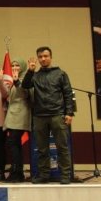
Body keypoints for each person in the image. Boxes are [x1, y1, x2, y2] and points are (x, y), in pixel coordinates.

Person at [22, 46, 74, 184]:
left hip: (57, 114)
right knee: (42, 149)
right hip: (39, 116)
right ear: (38, 59)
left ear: (51, 57)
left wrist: (69, 113)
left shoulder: (61, 74)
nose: (43, 59)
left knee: (62, 147)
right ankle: (44, 175)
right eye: (40, 57)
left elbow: (68, 94)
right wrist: (30, 71)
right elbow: (25, 85)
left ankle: (65, 175)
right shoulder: (35, 75)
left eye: (45, 56)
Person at [3, 58, 31, 183]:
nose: (14, 67)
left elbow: (26, 93)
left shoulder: (26, 78)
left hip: (20, 114)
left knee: (13, 143)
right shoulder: (12, 79)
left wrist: (17, 82)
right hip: (12, 114)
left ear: (23, 67)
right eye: (12, 65)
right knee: (14, 144)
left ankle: (17, 172)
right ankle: (17, 172)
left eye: (17, 65)